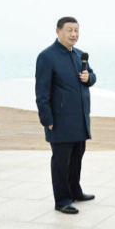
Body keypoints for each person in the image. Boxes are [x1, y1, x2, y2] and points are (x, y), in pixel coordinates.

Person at [35, 17, 96, 214]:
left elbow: (92, 76)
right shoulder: (47, 56)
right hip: (60, 121)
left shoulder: (80, 55)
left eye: (76, 30)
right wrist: (47, 119)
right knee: (61, 162)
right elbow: (41, 92)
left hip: (80, 119)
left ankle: (75, 191)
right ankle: (62, 200)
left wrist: (89, 77)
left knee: (77, 157)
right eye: (69, 30)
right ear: (58, 31)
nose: (74, 34)